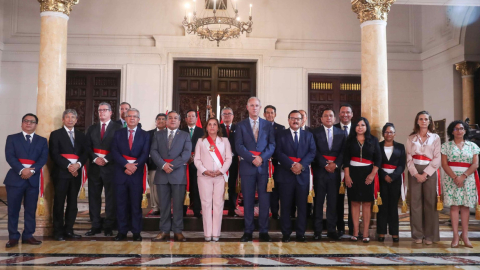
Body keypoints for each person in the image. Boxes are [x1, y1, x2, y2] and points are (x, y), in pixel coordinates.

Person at [4, 114, 48, 248]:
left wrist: (31, 171)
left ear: (36, 125)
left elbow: (43, 158)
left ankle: (28, 235)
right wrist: (22, 170)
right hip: (15, 179)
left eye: (32, 122)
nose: (28, 124)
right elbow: (10, 157)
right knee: (13, 210)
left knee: (30, 209)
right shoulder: (12, 138)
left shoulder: (42, 140)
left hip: (33, 180)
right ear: (22, 123)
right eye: (26, 121)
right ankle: (13, 237)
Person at [235, 97, 275, 242]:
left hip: (263, 167)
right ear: (247, 107)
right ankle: (248, 231)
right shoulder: (240, 125)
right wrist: (252, 158)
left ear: (260, 108)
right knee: (248, 201)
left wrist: (262, 158)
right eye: (251, 105)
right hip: (247, 167)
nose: (254, 108)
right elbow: (238, 146)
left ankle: (264, 231)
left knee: (264, 201)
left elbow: (272, 145)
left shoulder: (268, 125)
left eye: (257, 105)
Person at [274, 110, 316, 242]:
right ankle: (286, 233)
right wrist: (292, 165)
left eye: (298, 118)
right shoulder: (281, 135)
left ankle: (300, 233)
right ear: (288, 120)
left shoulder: (308, 135)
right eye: (293, 118)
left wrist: (301, 165)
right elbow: (278, 152)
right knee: (285, 206)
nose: (295, 121)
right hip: (286, 174)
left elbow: (312, 152)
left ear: (302, 120)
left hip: (302, 175)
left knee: (302, 206)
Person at [150, 111, 191, 242]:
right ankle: (164, 231)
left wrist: (171, 165)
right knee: (164, 205)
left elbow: (186, 154)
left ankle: (178, 231)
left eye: (176, 118)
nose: (173, 120)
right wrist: (163, 165)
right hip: (162, 173)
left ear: (179, 121)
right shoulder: (158, 134)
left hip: (178, 174)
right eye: (170, 118)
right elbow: (153, 151)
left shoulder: (185, 135)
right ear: (166, 121)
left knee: (178, 205)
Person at [111, 108, 150, 241]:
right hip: (121, 173)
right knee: (121, 204)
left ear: (139, 119)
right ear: (125, 118)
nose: (132, 118)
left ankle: (136, 232)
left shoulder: (145, 135)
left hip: (136, 174)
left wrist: (134, 167)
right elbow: (114, 151)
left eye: (135, 116)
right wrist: (125, 165)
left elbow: (145, 154)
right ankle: (121, 231)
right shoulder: (118, 133)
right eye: (129, 116)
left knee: (135, 204)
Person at [84, 102, 122, 237]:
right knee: (94, 197)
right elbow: (87, 146)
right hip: (95, 167)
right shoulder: (92, 128)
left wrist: (106, 159)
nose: (102, 113)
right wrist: (95, 158)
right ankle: (95, 225)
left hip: (111, 167)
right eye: (99, 110)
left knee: (111, 198)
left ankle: (109, 226)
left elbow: (119, 147)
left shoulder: (118, 128)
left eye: (105, 110)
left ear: (111, 112)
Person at [49, 109, 88, 241]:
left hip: (76, 173)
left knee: (73, 203)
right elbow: (54, 154)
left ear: (76, 120)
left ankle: (69, 230)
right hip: (61, 173)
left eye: (73, 117)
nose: (70, 119)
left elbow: (85, 153)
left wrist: (78, 165)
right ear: (63, 119)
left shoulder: (81, 135)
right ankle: (58, 231)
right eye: (67, 117)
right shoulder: (56, 134)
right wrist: (68, 166)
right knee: (59, 202)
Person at [441, 120, 479, 248]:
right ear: (452, 131)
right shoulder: (446, 146)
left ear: (465, 130)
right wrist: (454, 177)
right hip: (451, 178)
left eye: (461, 128)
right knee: (454, 207)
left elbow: (475, 164)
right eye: (456, 129)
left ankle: (465, 235)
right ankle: (455, 236)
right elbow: (444, 164)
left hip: (467, 178)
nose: (459, 131)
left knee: (465, 207)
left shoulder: (472, 146)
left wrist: (463, 176)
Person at [343, 117, 381, 243]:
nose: (360, 127)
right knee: (354, 203)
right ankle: (355, 231)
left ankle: (365, 232)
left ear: (366, 127)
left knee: (366, 203)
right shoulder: (349, 141)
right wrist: (347, 176)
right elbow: (346, 159)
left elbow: (378, 159)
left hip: (368, 174)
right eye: (358, 125)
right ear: (354, 127)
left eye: (363, 125)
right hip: (353, 173)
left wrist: (372, 174)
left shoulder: (373, 140)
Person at [194, 118, 232, 241]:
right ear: (206, 127)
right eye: (209, 124)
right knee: (205, 204)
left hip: (220, 176)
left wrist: (221, 171)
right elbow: (197, 159)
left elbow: (228, 159)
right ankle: (207, 233)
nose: (212, 127)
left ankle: (216, 233)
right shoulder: (201, 141)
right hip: (204, 176)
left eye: (214, 124)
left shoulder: (224, 141)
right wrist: (204, 170)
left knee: (218, 204)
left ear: (218, 127)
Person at [406, 110, 441, 245]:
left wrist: (425, 174)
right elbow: (408, 157)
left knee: (430, 203)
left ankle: (430, 235)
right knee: (415, 204)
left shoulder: (435, 138)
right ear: (417, 121)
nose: (423, 121)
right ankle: (417, 235)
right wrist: (415, 174)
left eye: (426, 119)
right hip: (415, 171)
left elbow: (437, 158)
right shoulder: (411, 138)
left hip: (429, 171)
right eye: (421, 119)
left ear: (430, 121)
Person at [311, 108, 346, 241]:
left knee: (333, 202)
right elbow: (313, 150)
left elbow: (343, 152)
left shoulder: (341, 133)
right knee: (318, 202)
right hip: (320, 171)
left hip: (335, 173)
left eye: (331, 115)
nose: (328, 118)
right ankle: (317, 230)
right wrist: (325, 164)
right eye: (325, 116)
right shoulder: (315, 133)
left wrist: (335, 164)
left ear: (335, 118)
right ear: (321, 119)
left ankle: (332, 230)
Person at [377, 123, 405, 243]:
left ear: (395, 133)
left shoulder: (400, 147)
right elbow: (376, 164)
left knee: (393, 207)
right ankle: (381, 232)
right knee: (382, 207)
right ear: (383, 134)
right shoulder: (377, 146)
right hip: (381, 179)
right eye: (386, 132)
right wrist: (384, 175)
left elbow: (402, 165)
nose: (389, 134)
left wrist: (393, 176)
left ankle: (394, 233)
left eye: (391, 132)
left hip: (395, 180)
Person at [334, 103, 353, 237]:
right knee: (337, 201)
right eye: (342, 112)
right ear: (339, 114)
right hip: (336, 171)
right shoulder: (333, 129)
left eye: (348, 112)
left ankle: (353, 227)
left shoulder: (358, 129)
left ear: (352, 115)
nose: (345, 115)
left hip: (353, 172)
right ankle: (339, 227)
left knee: (353, 200)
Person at [264, 105, 285, 219]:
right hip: (262, 162)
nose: (270, 115)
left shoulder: (281, 128)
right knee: (263, 188)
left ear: (275, 115)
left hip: (276, 163)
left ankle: (275, 212)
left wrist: (273, 156)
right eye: (267, 113)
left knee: (275, 188)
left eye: (272, 113)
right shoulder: (260, 126)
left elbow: (282, 146)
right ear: (264, 114)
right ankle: (264, 211)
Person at [181, 110, 204, 218]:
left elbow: (204, 147)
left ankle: (196, 210)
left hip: (197, 163)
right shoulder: (181, 131)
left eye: (193, 116)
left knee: (196, 187)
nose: (191, 118)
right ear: (186, 119)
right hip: (183, 164)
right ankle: (183, 211)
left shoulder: (202, 131)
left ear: (196, 118)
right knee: (183, 188)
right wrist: (186, 157)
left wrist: (195, 157)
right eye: (188, 116)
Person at [147, 113, 167, 216]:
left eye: (163, 119)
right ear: (156, 121)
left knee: (165, 187)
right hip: (153, 165)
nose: (161, 121)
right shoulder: (149, 134)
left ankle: (165, 207)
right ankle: (155, 208)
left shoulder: (169, 133)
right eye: (158, 119)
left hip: (166, 165)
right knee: (154, 187)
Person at [220, 107, 238, 216]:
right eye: (224, 114)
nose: (227, 116)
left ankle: (232, 208)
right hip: (219, 162)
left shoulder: (238, 127)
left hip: (234, 161)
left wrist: (233, 153)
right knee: (219, 185)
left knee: (232, 184)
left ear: (233, 116)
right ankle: (219, 208)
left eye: (229, 114)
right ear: (221, 116)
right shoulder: (218, 128)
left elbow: (241, 142)